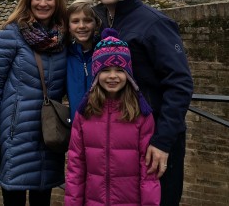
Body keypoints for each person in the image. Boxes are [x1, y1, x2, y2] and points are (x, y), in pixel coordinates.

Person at [91, 0, 193, 206]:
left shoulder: (154, 23)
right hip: (118, 140)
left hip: (153, 141)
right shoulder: (96, 21)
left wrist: (162, 141)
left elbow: (180, 84)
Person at [0, 0, 68, 206]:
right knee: (14, 198)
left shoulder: (64, 39)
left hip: (49, 136)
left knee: (43, 199)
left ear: (57, 2)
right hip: (14, 136)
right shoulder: (12, 34)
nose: (43, 3)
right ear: (28, 0)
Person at [64, 28, 161, 205]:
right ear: (96, 74)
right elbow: (75, 167)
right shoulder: (84, 113)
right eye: (106, 70)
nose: (112, 76)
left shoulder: (140, 114)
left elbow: (148, 174)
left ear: (128, 75)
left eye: (119, 70)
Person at [66, 0, 101, 121]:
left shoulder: (104, 56)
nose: (81, 26)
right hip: (75, 129)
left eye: (87, 20)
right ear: (68, 27)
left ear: (96, 23)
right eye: (75, 21)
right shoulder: (65, 57)